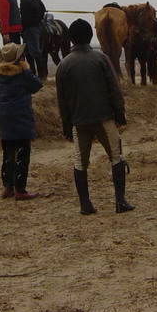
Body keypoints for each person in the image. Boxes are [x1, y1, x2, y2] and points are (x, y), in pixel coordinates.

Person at [55, 18, 134, 215]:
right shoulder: (101, 59)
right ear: (90, 36)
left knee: (80, 162)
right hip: (103, 117)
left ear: (70, 39)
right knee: (116, 157)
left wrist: (66, 125)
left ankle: (85, 204)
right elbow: (114, 89)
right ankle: (120, 201)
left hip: (79, 121)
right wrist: (120, 115)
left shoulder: (63, 65)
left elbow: (62, 100)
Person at [0, 42, 44, 201]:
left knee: (8, 154)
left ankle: (8, 186)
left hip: (5, 120)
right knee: (22, 155)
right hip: (21, 118)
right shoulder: (23, 73)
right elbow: (37, 85)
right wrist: (26, 67)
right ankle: (20, 189)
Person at [17, 0, 48, 79]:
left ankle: (36, 75)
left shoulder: (24, 1)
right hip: (38, 26)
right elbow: (43, 9)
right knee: (35, 51)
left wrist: (22, 28)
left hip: (29, 29)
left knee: (31, 52)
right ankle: (40, 74)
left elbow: (25, 18)